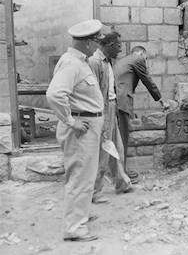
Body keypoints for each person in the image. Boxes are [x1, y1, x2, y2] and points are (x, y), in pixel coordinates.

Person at [46, 19, 104, 241]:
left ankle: (80, 217)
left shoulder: (79, 61)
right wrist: (71, 121)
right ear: (88, 43)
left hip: (87, 125)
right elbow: (54, 95)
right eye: (96, 41)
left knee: (84, 175)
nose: (97, 46)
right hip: (81, 127)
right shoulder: (72, 63)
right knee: (80, 176)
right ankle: (74, 228)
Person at [114, 46, 168, 183]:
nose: (145, 60)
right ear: (141, 53)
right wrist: (161, 100)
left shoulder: (124, 60)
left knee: (118, 137)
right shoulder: (137, 59)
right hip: (121, 100)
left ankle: (120, 170)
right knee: (122, 138)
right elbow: (147, 80)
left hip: (116, 99)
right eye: (146, 57)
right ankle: (122, 174)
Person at [88, 32, 131, 203]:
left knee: (116, 148)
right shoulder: (94, 62)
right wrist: (102, 118)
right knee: (103, 152)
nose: (120, 50)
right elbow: (94, 93)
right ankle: (94, 192)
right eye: (119, 46)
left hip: (111, 107)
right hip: (102, 110)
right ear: (110, 45)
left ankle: (122, 183)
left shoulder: (106, 62)